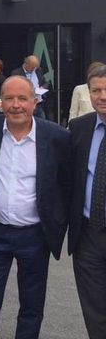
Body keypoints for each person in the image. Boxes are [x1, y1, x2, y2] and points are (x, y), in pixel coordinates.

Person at [0, 76, 72, 339]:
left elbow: (67, 183)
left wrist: (58, 224)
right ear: (0, 102)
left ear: (34, 102)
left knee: (31, 306)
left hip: (35, 237)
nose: (16, 105)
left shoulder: (57, 137)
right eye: (9, 99)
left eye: (23, 99)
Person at [69, 64, 106, 338]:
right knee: (94, 310)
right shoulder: (78, 128)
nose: (102, 96)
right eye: (96, 90)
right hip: (88, 233)